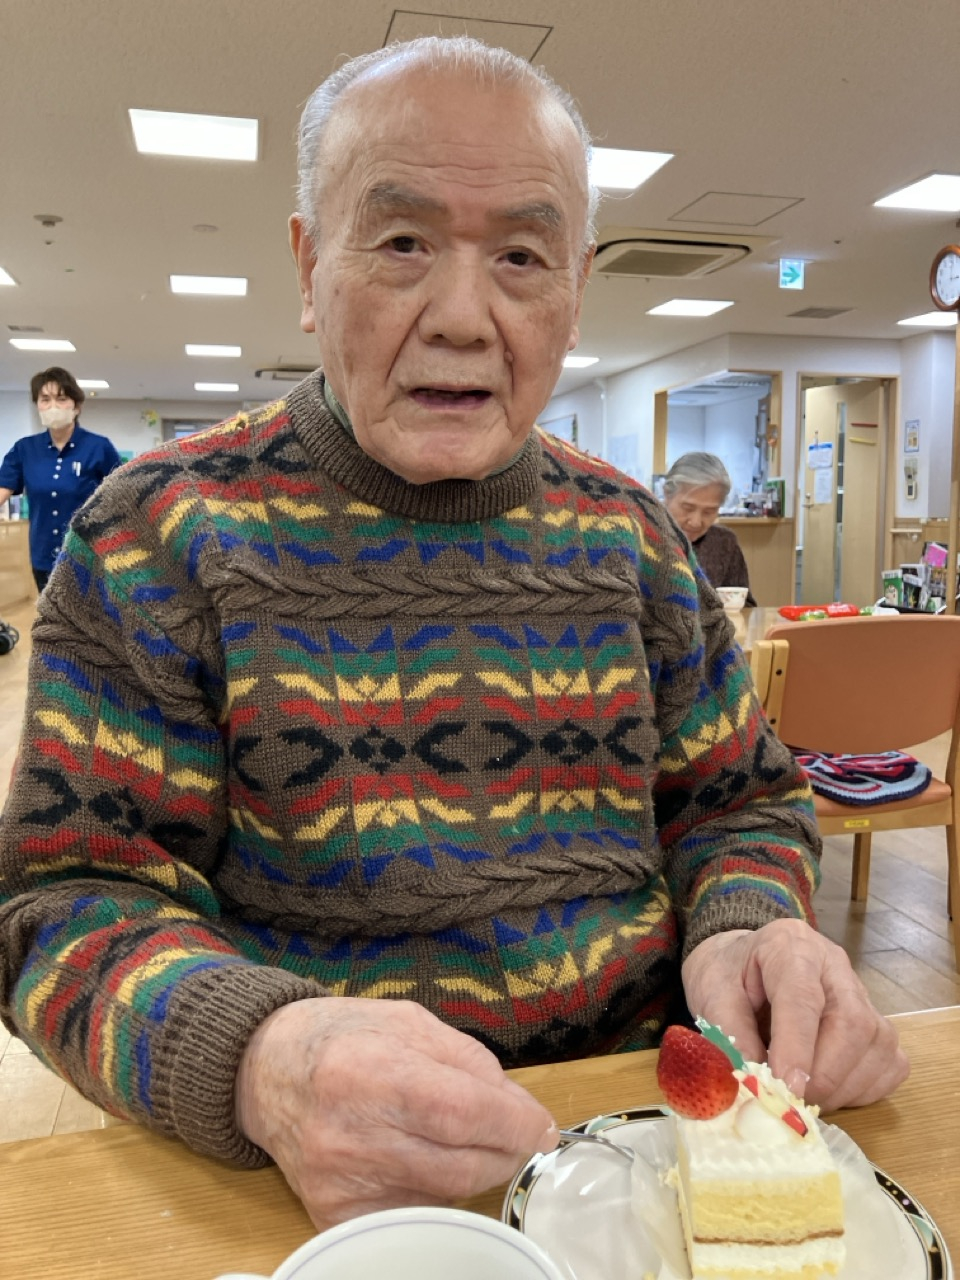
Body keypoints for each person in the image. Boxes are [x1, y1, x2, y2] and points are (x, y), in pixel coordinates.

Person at [0, 38, 907, 1229]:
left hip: (640, 1155)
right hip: (314, 1189)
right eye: (402, 243)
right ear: (309, 265)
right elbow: (62, 905)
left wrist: (750, 923)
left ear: (576, 286)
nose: (466, 318)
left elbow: (742, 801)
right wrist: (262, 1058)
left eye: (521, 256)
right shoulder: (153, 538)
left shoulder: (634, 536)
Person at [0, 367, 122, 592]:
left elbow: (124, 495)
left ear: (76, 406)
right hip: (43, 555)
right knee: (50, 613)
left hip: (89, 555)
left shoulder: (98, 447)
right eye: (45, 399)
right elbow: (3, 489)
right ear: (37, 404)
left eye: (62, 399)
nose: (53, 406)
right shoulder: (24, 449)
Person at [662, 452, 756, 605]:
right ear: (667, 494)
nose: (696, 522)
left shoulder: (724, 543)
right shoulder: (638, 535)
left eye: (709, 512)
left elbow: (745, 605)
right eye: (688, 508)